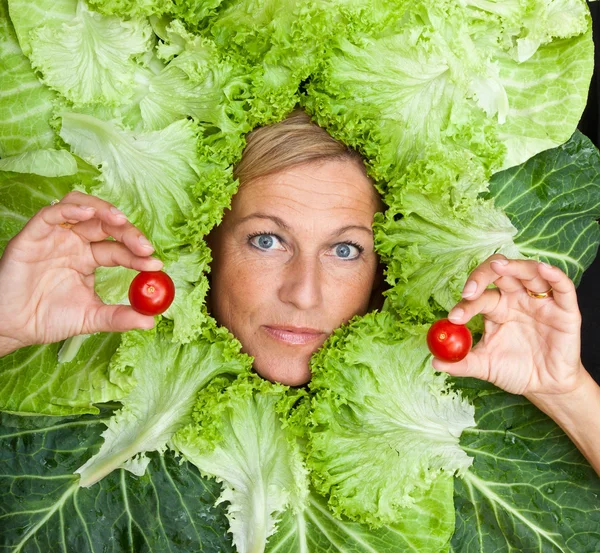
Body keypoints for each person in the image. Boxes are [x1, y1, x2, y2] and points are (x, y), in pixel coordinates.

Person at [0, 110, 599, 475]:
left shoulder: (448, 411)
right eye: (267, 241)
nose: (305, 294)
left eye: (345, 250)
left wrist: (567, 390)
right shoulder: (121, 408)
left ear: (382, 268)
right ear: (205, 247)